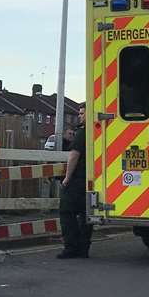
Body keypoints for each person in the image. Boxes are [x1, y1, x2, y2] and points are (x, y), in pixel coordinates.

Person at [58, 109, 90, 259]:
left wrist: (66, 178)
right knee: (86, 215)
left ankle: (71, 248)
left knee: (67, 212)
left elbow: (74, 156)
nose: (79, 115)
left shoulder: (82, 134)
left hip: (78, 179)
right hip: (93, 179)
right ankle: (84, 249)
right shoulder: (98, 132)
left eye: (82, 113)